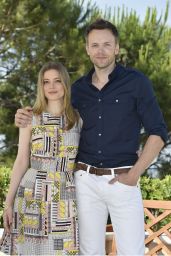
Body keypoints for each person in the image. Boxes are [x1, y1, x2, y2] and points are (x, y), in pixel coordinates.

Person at [14, 19, 168, 255]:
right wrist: (23, 116)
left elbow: (158, 133)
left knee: (132, 252)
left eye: (107, 44)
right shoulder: (77, 90)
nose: (101, 50)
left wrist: (135, 173)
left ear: (117, 47)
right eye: (94, 45)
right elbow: (50, 114)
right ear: (87, 49)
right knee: (89, 252)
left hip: (124, 180)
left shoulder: (137, 83)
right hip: (84, 182)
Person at [0, 62, 81, 255]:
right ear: (41, 86)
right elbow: (21, 161)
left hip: (65, 196)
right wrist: (8, 203)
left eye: (57, 81)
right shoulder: (30, 118)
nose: (51, 87)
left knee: (64, 249)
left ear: (65, 84)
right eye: (46, 82)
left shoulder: (78, 119)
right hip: (31, 194)